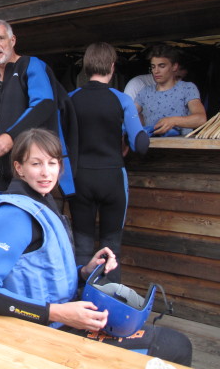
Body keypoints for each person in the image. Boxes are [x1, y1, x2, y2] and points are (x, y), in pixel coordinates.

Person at [0, 129, 192, 365]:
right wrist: (59, 313)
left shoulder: (40, 201)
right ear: (19, 168)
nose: (46, 172)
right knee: (175, 347)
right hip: (38, 332)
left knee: (173, 342)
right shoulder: (15, 216)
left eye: (52, 163)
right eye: (36, 163)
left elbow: (38, 272)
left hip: (61, 318)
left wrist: (85, 270)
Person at [69, 43, 149, 282]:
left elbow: (60, 141)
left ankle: (79, 307)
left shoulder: (70, 99)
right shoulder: (122, 99)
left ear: (85, 67)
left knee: (82, 246)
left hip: (79, 179)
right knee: (111, 247)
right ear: (112, 67)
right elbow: (140, 145)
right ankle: (109, 306)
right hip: (112, 178)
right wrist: (139, 130)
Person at [0, 18, 77, 194]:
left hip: (30, 159)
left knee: (29, 214)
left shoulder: (31, 64)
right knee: (0, 211)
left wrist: (11, 136)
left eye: (1, 38)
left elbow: (44, 104)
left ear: (12, 40)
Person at [135, 44, 206, 136]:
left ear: (174, 66)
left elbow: (201, 119)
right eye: (153, 67)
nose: (156, 71)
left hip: (181, 147)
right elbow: (129, 115)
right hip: (151, 148)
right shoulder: (145, 92)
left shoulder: (187, 88)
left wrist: (173, 121)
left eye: (162, 66)